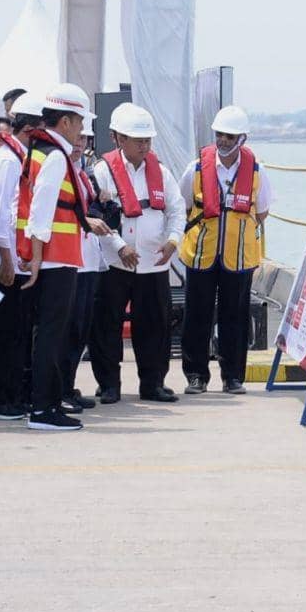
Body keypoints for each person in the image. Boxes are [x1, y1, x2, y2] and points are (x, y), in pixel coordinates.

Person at [16, 83, 109, 430]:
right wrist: (37, 260)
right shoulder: (56, 157)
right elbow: (41, 211)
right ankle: (44, 410)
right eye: (80, 121)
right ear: (67, 121)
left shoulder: (40, 150)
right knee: (52, 336)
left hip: (51, 257)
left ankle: (47, 404)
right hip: (55, 258)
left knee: (47, 334)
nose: (82, 128)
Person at [90, 103, 186, 404]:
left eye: (147, 140)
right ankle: (109, 384)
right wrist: (120, 246)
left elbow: (177, 210)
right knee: (106, 325)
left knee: (155, 325)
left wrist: (173, 241)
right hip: (114, 262)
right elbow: (97, 215)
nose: (144, 145)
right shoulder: (102, 171)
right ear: (119, 138)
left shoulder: (162, 172)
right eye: (138, 140)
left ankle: (153, 383)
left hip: (153, 263)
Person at [179, 106, 271, 394]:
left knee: (235, 316)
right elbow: (184, 205)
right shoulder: (195, 168)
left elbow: (262, 211)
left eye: (230, 136)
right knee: (197, 314)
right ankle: (196, 375)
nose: (223, 140)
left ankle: (233, 376)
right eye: (220, 134)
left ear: (242, 139)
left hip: (239, 256)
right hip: (201, 253)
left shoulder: (257, 172)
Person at [0, 91, 39, 421]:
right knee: (6, 332)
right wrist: (6, 260)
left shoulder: (21, 157)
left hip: (18, 259)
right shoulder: (7, 160)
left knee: (18, 332)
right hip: (7, 262)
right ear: (29, 130)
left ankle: (12, 395)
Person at [62, 115, 102, 411]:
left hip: (88, 259)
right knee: (66, 329)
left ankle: (68, 384)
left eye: (84, 139)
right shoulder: (60, 170)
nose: (79, 144)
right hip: (68, 259)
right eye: (76, 138)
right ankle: (59, 388)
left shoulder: (84, 173)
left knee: (80, 329)